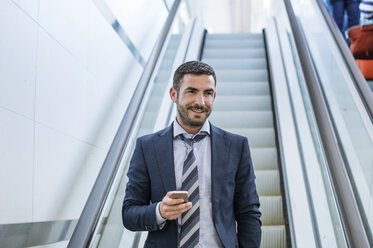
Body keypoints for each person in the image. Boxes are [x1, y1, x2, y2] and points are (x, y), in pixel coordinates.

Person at [122, 61, 262, 248]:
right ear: (174, 94)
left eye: (207, 93)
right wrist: (160, 211)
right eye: (191, 91)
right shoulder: (147, 147)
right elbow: (129, 213)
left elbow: (248, 212)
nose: (200, 102)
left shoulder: (237, 146)